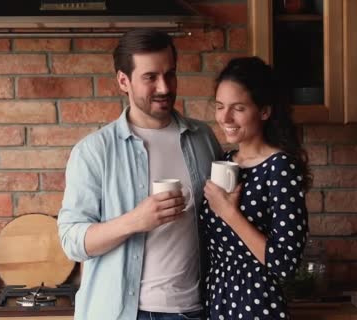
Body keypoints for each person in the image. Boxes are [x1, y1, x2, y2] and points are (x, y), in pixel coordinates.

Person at [57, 29, 222, 320]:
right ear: (124, 81)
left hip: (196, 310)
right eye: (150, 77)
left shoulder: (202, 138)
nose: (164, 87)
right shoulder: (94, 151)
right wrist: (135, 220)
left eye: (170, 74)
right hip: (124, 313)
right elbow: (72, 241)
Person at [201, 56, 311, 320]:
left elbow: (284, 264)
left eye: (238, 108)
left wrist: (229, 214)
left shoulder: (281, 168)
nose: (225, 117)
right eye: (219, 106)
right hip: (217, 300)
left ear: (264, 111)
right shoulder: (226, 163)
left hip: (257, 304)